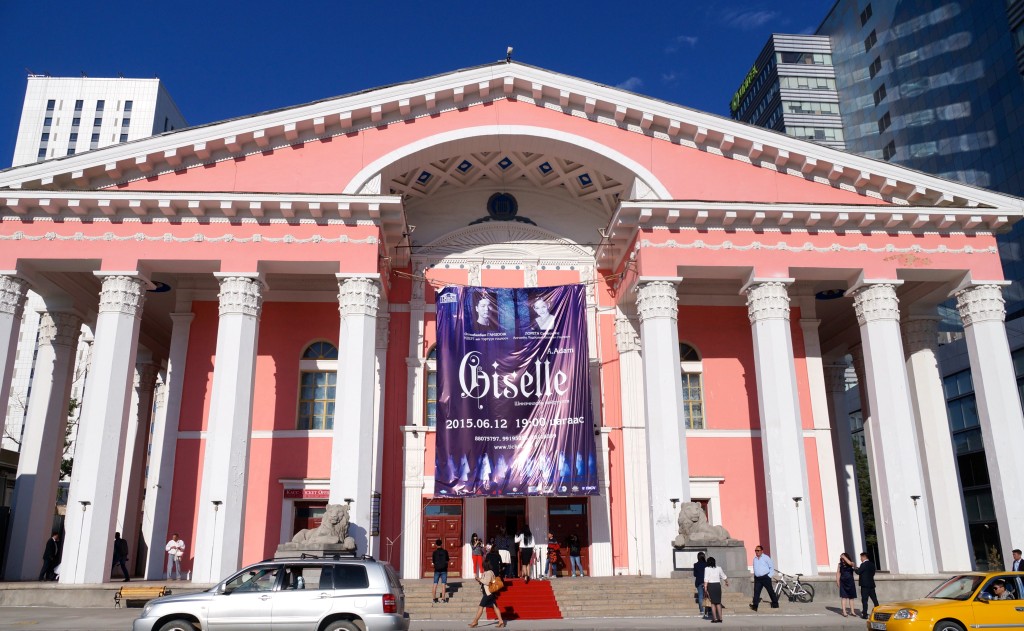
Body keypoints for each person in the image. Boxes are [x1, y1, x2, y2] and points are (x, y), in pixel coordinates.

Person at [468, 559, 506, 628]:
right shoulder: (490, 572)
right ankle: (501, 622)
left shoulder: (488, 573)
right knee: (495, 607)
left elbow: (487, 582)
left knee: (481, 607)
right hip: (491, 593)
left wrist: (479, 579)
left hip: (488, 593)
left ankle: (475, 622)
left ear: (484, 566)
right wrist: (480, 580)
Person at [749, 544, 779, 611]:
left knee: (770, 591)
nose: (757, 552)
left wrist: (769, 576)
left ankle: (775, 604)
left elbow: (771, 567)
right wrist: (755, 574)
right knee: (756, 592)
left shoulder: (766, 558)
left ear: (762, 551)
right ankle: (755, 606)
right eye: (755, 550)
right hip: (757, 578)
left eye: (758, 550)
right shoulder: (755, 559)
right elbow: (755, 567)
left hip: (766, 577)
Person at [703, 555, 729, 623]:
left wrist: (705, 588)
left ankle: (714, 619)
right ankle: (720, 618)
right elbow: (724, 576)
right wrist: (727, 582)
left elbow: (706, 579)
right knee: (718, 602)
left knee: (712, 603)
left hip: (711, 586)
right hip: (717, 585)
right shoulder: (719, 568)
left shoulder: (707, 568)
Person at [855, 551, 878, 619]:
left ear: (864, 557)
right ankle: (878, 612)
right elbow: (873, 573)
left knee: (865, 600)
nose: (860, 559)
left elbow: (858, 572)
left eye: (861, 557)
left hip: (865, 585)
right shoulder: (872, 564)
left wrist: (854, 568)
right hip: (871, 584)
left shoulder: (863, 564)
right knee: (874, 600)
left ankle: (864, 614)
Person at [836, 552, 857, 617]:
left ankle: (852, 611)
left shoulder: (851, 563)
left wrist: (844, 556)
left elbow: (851, 564)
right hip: (843, 582)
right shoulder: (840, 565)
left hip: (850, 582)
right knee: (844, 597)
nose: (842, 559)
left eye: (843, 558)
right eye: (841, 558)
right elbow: (838, 573)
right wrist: (837, 582)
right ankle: (844, 612)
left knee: (851, 597)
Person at [431, 538, 449, 604]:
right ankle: (443, 599)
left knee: (435, 584)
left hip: (437, 570)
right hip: (444, 570)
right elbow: (447, 560)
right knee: (443, 584)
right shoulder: (445, 552)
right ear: (441, 544)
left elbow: (433, 561)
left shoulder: (434, 552)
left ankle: (434, 599)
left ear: (436, 545)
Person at [693, 551, 708, 618]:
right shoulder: (707, 564)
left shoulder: (695, 565)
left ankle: (702, 611)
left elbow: (695, 574)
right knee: (707, 596)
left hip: (699, 581)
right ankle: (708, 610)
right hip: (706, 582)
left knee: (700, 596)